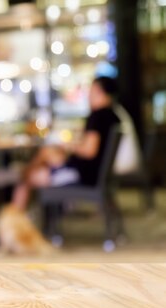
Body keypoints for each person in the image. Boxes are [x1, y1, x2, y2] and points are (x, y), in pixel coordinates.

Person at [11, 76, 121, 211]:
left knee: (29, 176)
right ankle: (24, 217)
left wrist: (68, 145)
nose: (88, 94)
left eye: (91, 89)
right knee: (45, 156)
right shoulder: (113, 115)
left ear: (98, 90)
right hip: (94, 174)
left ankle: (17, 218)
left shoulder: (97, 116)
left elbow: (90, 150)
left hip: (81, 176)